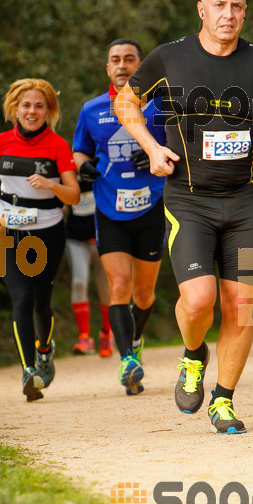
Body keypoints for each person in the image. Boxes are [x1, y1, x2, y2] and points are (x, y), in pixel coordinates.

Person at [115, 0, 253, 435]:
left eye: (237, 6)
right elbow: (126, 101)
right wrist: (151, 146)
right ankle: (193, 354)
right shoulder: (169, 56)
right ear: (201, 10)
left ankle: (223, 400)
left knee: (240, 305)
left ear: (245, 12)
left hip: (245, 200)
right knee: (198, 300)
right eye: (219, 5)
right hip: (189, 200)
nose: (229, 14)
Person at [72, 38, 166, 395]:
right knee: (119, 287)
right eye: (116, 60)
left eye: (130, 59)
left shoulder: (158, 106)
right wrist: (84, 169)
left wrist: (157, 152)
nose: (123, 65)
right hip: (110, 210)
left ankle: (136, 338)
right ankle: (128, 360)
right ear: (107, 68)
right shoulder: (92, 109)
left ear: (141, 67)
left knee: (144, 294)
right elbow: (79, 152)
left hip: (151, 207)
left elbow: (178, 147)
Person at [0, 79, 80, 401]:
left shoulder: (57, 146)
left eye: (39, 106)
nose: (32, 111)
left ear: (49, 110)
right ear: (15, 108)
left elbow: (75, 196)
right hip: (6, 228)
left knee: (40, 302)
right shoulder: (1, 142)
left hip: (47, 231)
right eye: (26, 105)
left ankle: (45, 351)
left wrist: (51, 186)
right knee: (21, 298)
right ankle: (28, 372)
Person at [65, 175, 113, 357]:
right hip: (76, 238)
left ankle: (106, 334)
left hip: (103, 237)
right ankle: (84, 337)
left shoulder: (101, 166)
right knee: (79, 283)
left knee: (106, 288)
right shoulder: (67, 173)